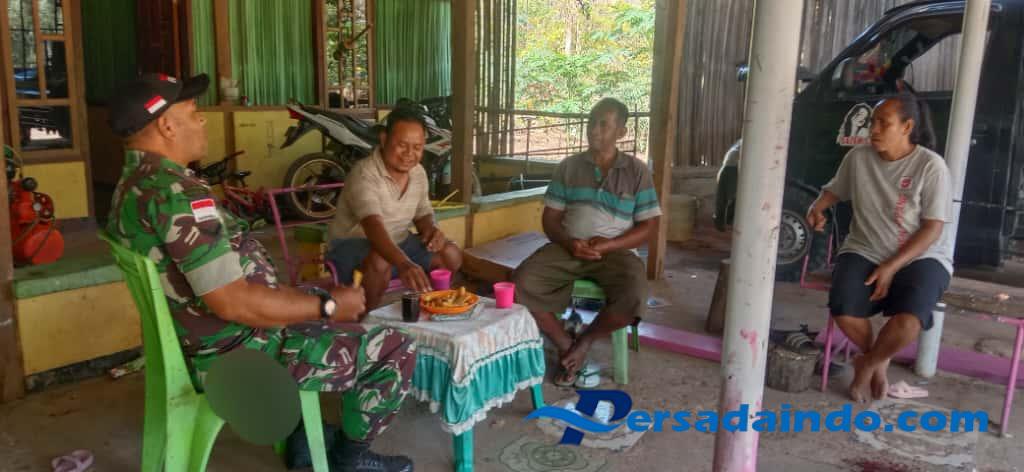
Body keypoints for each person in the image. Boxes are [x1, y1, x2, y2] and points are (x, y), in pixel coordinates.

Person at [105, 73, 416, 472]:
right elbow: (233, 302)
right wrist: (325, 307)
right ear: (166, 126)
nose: (202, 121)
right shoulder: (175, 194)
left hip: (204, 341)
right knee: (394, 346)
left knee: (313, 301)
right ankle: (350, 459)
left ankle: (302, 439)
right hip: (239, 356)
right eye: (194, 113)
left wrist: (306, 300)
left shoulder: (132, 186)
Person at [807, 91, 952, 403]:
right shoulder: (858, 158)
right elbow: (835, 190)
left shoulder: (931, 166)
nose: (872, 129)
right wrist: (818, 206)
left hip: (920, 255)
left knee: (910, 320)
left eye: (883, 123)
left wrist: (891, 266)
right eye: (872, 122)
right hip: (864, 248)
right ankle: (879, 360)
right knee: (844, 308)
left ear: (907, 127)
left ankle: (867, 364)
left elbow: (933, 228)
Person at [513, 98, 661, 387]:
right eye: (592, 122)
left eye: (603, 125)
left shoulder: (637, 171)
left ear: (621, 132)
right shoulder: (569, 167)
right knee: (519, 283)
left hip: (616, 253)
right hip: (568, 248)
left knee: (634, 296)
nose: (594, 130)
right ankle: (565, 343)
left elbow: (649, 227)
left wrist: (609, 245)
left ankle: (585, 341)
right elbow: (550, 219)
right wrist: (570, 243)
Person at [325, 106, 462, 310]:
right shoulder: (364, 173)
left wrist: (430, 230)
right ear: (383, 139)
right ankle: (364, 318)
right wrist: (404, 263)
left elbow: (423, 212)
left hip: (399, 242)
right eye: (402, 145)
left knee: (450, 253)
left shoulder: (418, 172)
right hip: (351, 246)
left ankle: (436, 308)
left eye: (417, 147)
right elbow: (373, 227)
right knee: (381, 260)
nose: (409, 154)